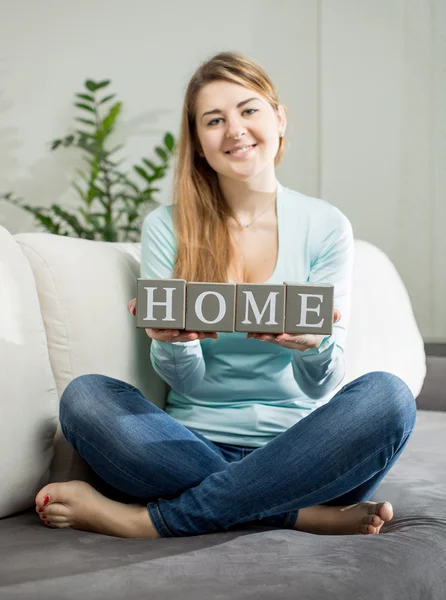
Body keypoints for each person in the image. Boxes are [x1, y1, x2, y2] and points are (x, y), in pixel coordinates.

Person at [35, 51, 416, 539]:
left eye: (248, 109)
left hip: (303, 456)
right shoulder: (167, 227)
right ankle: (294, 514)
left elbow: (322, 387)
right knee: (86, 397)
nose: (234, 129)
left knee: (390, 396)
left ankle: (146, 521)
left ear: (278, 118)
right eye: (214, 120)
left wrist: (314, 344)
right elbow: (187, 383)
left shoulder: (325, 226)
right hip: (186, 447)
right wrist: (172, 341)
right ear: (197, 143)